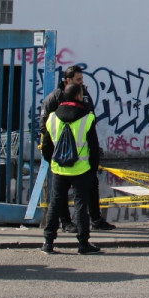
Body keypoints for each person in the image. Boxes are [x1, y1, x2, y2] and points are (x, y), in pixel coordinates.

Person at [39, 65, 115, 231]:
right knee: (61, 195)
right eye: (78, 79)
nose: (81, 83)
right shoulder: (54, 98)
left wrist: (93, 157)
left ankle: (95, 219)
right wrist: (54, 152)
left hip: (82, 158)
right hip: (62, 157)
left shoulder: (84, 95)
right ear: (68, 80)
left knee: (91, 187)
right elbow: (45, 127)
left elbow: (90, 121)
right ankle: (66, 223)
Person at [39, 83, 102, 255]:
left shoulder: (52, 117)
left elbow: (46, 145)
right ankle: (83, 243)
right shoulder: (87, 117)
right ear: (78, 96)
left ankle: (48, 242)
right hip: (81, 169)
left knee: (55, 204)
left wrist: (52, 161)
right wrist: (93, 168)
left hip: (59, 168)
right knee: (81, 205)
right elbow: (94, 147)